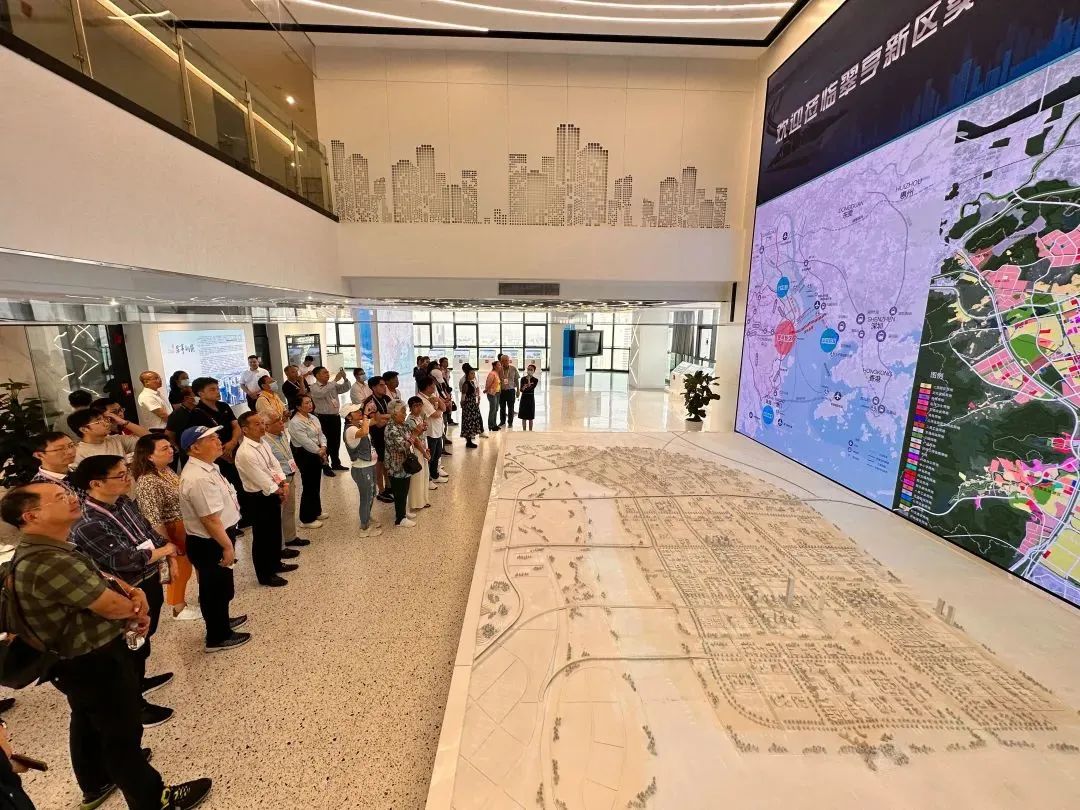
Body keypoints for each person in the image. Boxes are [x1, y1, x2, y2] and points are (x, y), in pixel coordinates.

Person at [0, 482, 212, 810]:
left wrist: (132, 593)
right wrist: (136, 608)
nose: (72, 498)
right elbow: (109, 605)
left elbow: (100, 578)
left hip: (74, 661)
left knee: (88, 718)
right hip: (92, 659)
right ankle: (154, 800)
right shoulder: (47, 560)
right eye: (59, 498)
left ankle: (96, 780)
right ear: (31, 516)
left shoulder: (50, 547)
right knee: (121, 737)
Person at [69, 455, 177, 728]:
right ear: (96, 483)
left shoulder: (123, 502)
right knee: (128, 648)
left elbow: (148, 532)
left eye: (126, 471)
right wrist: (164, 551)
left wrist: (166, 553)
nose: (128, 478)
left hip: (148, 579)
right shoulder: (89, 521)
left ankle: (139, 681)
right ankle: (134, 705)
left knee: (144, 638)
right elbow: (123, 560)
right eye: (120, 475)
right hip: (126, 591)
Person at [178, 426, 250, 653]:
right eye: (211, 439)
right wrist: (227, 547)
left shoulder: (209, 467)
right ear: (194, 448)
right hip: (211, 541)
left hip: (220, 536)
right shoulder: (197, 478)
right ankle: (217, 637)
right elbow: (210, 519)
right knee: (214, 589)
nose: (219, 441)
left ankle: (222, 620)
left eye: (217, 437)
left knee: (222, 587)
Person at [131, 435, 200, 621]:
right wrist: (166, 543)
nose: (171, 451)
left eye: (170, 447)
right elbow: (153, 518)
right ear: (149, 456)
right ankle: (178, 607)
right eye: (164, 449)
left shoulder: (166, 470)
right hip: (171, 529)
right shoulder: (147, 481)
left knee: (188, 565)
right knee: (179, 568)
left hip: (185, 524)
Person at [235, 412, 291, 587]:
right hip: (258, 497)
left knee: (274, 531)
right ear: (245, 429)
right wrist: (279, 490)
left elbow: (274, 464)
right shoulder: (245, 452)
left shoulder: (263, 442)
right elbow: (260, 478)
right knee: (262, 536)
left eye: (262, 422)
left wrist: (283, 483)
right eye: (257, 424)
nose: (262, 427)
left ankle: (275, 563)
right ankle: (265, 574)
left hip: (273, 491)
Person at [186, 377, 244, 503]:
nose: (217, 392)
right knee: (227, 488)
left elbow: (236, 425)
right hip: (218, 456)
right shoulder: (197, 413)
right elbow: (202, 440)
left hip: (234, 449)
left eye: (217, 388)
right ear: (201, 393)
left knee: (242, 484)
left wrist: (233, 441)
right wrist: (222, 452)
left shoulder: (224, 406)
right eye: (212, 389)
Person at [263, 412, 309, 551]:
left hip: (290, 476)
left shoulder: (282, 434)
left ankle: (290, 537)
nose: (281, 422)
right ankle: (280, 546)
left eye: (281, 419)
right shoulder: (264, 442)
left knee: (290, 509)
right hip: (278, 482)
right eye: (277, 421)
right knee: (279, 513)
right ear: (267, 426)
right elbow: (268, 466)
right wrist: (280, 482)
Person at [289, 395, 328, 529]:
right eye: (306, 403)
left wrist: (323, 447)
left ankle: (316, 511)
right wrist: (319, 451)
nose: (310, 404)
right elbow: (305, 441)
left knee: (316, 483)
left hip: (317, 451)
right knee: (309, 485)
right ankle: (306, 518)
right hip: (305, 454)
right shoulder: (295, 422)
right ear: (298, 407)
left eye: (310, 402)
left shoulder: (313, 417)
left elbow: (321, 434)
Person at [342, 404, 381, 537]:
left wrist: (373, 410)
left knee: (372, 494)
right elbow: (364, 432)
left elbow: (376, 420)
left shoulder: (359, 423)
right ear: (348, 417)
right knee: (366, 497)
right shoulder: (350, 430)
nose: (359, 411)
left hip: (369, 465)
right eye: (355, 411)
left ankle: (367, 517)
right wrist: (365, 415)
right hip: (362, 468)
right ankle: (364, 528)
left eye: (359, 410)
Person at [70, 408, 149, 465]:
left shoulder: (116, 439)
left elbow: (149, 438)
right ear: (84, 429)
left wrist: (123, 422)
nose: (107, 424)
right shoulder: (78, 452)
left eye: (105, 420)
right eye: (98, 421)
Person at [309, 366, 350, 475]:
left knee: (335, 442)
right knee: (324, 442)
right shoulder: (314, 387)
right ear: (317, 375)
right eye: (324, 372)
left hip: (335, 417)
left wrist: (345, 379)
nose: (327, 374)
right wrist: (335, 380)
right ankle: (325, 465)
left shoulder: (332, 384)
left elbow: (345, 388)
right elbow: (322, 393)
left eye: (327, 372)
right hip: (323, 418)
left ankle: (336, 463)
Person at [384, 401, 415, 528]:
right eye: (402, 411)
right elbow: (403, 445)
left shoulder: (402, 424)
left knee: (405, 489)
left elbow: (410, 435)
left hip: (405, 463)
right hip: (396, 465)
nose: (405, 414)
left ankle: (403, 512)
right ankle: (400, 519)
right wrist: (415, 435)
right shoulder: (391, 429)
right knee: (399, 492)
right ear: (394, 413)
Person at [363, 376, 393, 503]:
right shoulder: (370, 402)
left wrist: (383, 416)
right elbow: (379, 423)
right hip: (377, 436)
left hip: (388, 435)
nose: (384, 387)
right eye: (381, 385)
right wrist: (389, 416)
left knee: (387, 462)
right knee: (379, 464)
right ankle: (381, 491)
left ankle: (389, 486)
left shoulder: (386, 399)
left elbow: (395, 414)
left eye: (384, 384)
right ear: (373, 387)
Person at [418, 377, 449, 485]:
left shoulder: (432, 395)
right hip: (429, 432)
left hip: (437, 430)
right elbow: (435, 414)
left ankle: (435, 475)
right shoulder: (421, 400)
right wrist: (440, 409)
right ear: (427, 387)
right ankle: (429, 479)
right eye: (433, 386)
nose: (434, 387)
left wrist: (438, 400)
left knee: (437, 454)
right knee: (430, 456)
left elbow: (444, 408)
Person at [405, 396, 431, 513]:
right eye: (415, 406)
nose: (419, 408)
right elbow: (415, 440)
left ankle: (423, 500)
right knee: (417, 477)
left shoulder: (419, 417)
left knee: (424, 475)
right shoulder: (410, 420)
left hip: (422, 447)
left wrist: (426, 449)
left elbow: (421, 435)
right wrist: (424, 452)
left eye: (420, 405)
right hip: (416, 450)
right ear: (410, 408)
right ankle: (416, 503)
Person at [165, 386, 197, 452]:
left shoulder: (195, 410)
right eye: (196, 395)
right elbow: (169, 434)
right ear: (187, 398)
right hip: (186, 449)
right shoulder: (177, 415)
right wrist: (178, 448)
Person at [459, 364, 484, 448]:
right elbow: (463, 396)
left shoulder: (472, 382)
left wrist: (477, 399)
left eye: (474, 373)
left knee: (472, 422)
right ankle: (468, 441)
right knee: (468, 422)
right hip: (468, 406)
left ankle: (470, 439)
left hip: (473, 404)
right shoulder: (466, 384)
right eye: (471, 373)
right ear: (467, 374)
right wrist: (463, 405)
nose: (473, 375)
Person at [499, 354, 520, 429]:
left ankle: (510, 422)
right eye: (503, 361)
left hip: (511, 391)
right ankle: (502, 421)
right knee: (502, 407)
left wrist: (518, 390)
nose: (505, 362)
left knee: (511, 407)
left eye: (506, 360)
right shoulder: (499, 369)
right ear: (501, 361)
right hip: (501, 391)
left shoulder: (513, 368)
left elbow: (516, 380)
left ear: (509, 361)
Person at [518, 364, 539, 430]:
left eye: (531, 369)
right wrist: (524, 387)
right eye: (528, 369)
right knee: (523, 416)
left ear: (534, 371)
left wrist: (528, 382)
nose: (529, 371)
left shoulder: (535, 380)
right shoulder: (523, 379)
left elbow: (530, 389)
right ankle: (524, 430)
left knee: (530, 417)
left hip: (530, 398)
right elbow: (521, 390)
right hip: (524, 398)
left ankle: (530, 430)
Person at [484, 359, 502, 433]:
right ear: (494, 366)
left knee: (496, 409)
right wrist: (486, 390)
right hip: (492, 394)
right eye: (499, 365)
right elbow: (488, 383)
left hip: (497, 393)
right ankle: (491, 425)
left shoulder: (496, 373)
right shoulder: (492, 374)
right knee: (493, 409)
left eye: (500, 365)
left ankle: (494, 424)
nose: (500, 366)